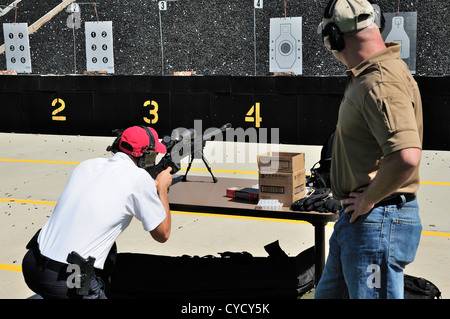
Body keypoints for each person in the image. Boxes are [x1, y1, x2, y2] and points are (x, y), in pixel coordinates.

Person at [315, 0, 423, 299]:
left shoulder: (379, 81)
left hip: (375, 220)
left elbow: (406, 156)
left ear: (335, 38)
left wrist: (367, 200)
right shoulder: (368, 75)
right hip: (360, 221)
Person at [22, 125, 173, 299]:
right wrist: (161, 188)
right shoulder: (139, 178)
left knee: (110, 252)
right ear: (146, 156)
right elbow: (163, 234)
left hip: (32, 262)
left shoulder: (86, 165)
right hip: (69, 278)